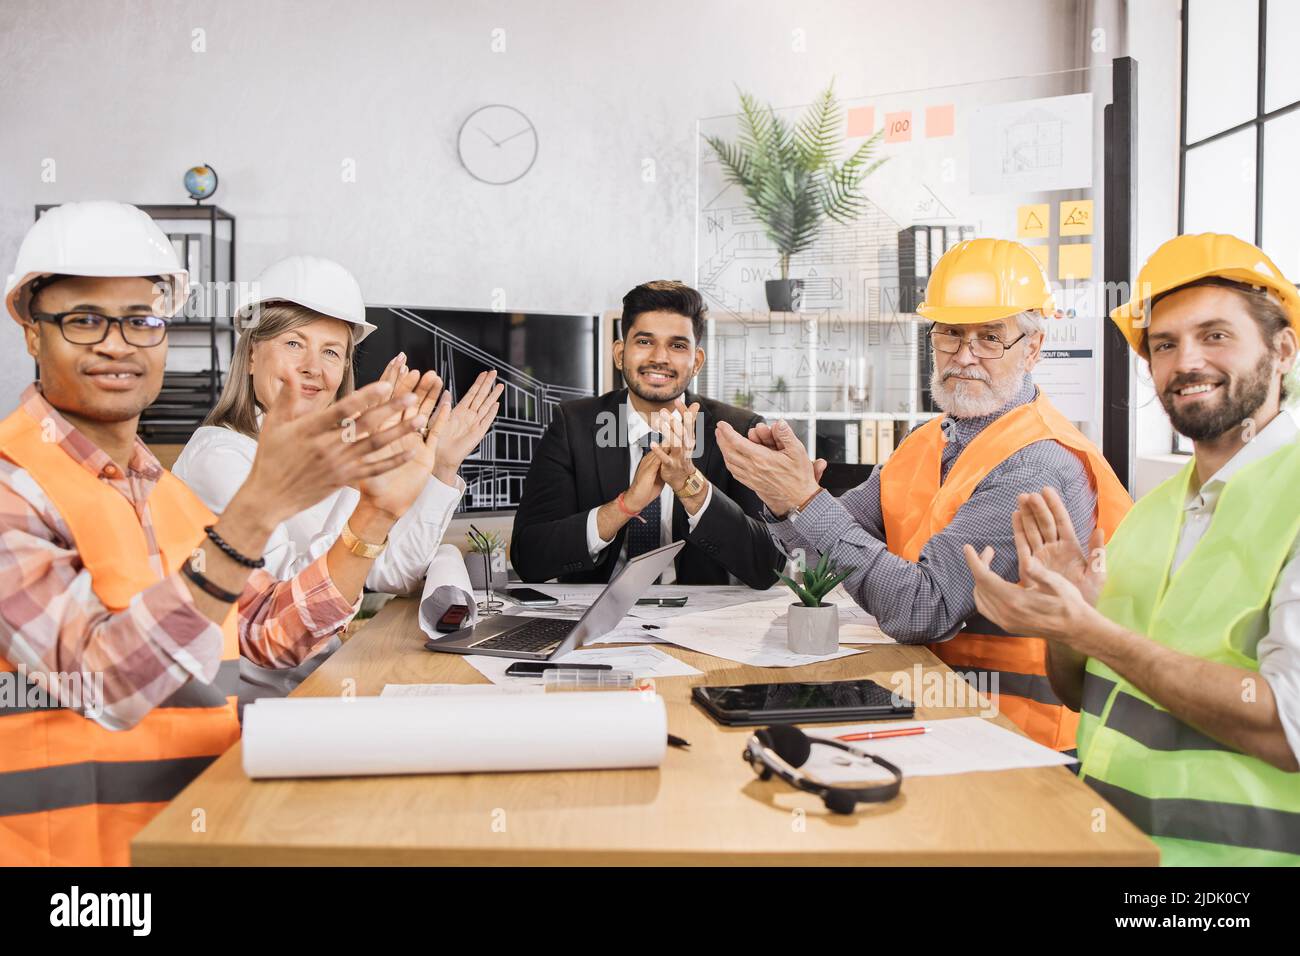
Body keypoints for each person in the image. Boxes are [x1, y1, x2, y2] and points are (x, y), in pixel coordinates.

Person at [0, 202, 443, 865]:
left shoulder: (165, 495)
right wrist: (254, 512)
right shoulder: (13, 488)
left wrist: (373, 515)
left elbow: (270, 637)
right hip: (75, 872)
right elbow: (105, 685)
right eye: (84, 320)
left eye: (142, 320)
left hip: (198, 836)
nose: (117, 343)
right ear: (33, 333)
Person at [964, 233, 1300, 865]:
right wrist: (1065, 620)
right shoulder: (1152, 515)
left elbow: (1288, 726)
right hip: (1112, 851)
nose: (1186, 361)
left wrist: (1093, 632)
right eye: (1165, 345)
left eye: (1215, 336)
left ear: (1282, 349)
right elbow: (1082, 692)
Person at [717, 239, 1131, 750]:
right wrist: (781, 495)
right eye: (951, 335)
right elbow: (810, 566)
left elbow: (924, 609)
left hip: (1015, 742)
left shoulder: (1038, 463)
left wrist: (807, 500)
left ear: (1034, 347)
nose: (964, 356)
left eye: (990, 337)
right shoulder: (927, 442)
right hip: (934, 710)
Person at [173, 255, 503, 701]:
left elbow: (393, 573)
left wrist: (442, 467)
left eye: (331, 352)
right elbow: (283, 610)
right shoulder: (221, 458)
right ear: (251, 354)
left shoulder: (320, 449)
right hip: (264, 707)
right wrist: (361, 477)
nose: (314, 367)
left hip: (325, 682)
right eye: (294, 344)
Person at [511, 280, 783, 588]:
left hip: (697, 620)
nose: (660, 358)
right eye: (644, 341)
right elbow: (528, 558)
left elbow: (766, 568)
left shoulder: (737, 431)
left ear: (696, 362)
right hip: (595, 618)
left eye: (678, 345)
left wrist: (690, 486)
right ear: (619, 353)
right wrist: (624, 506)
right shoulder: (572, 425)